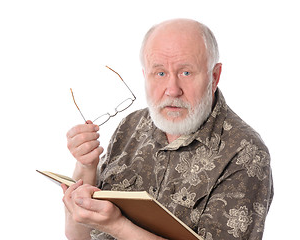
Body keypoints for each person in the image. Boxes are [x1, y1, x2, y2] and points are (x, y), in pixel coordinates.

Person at [62, 18, 273, 240]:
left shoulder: (245, 152)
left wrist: (117, 226)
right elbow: (79, 236)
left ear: (214, 76)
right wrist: (86, 166)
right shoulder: (130, 126)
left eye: (186, 73)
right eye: (160, 73)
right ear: (145, 75)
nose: (172, 90)